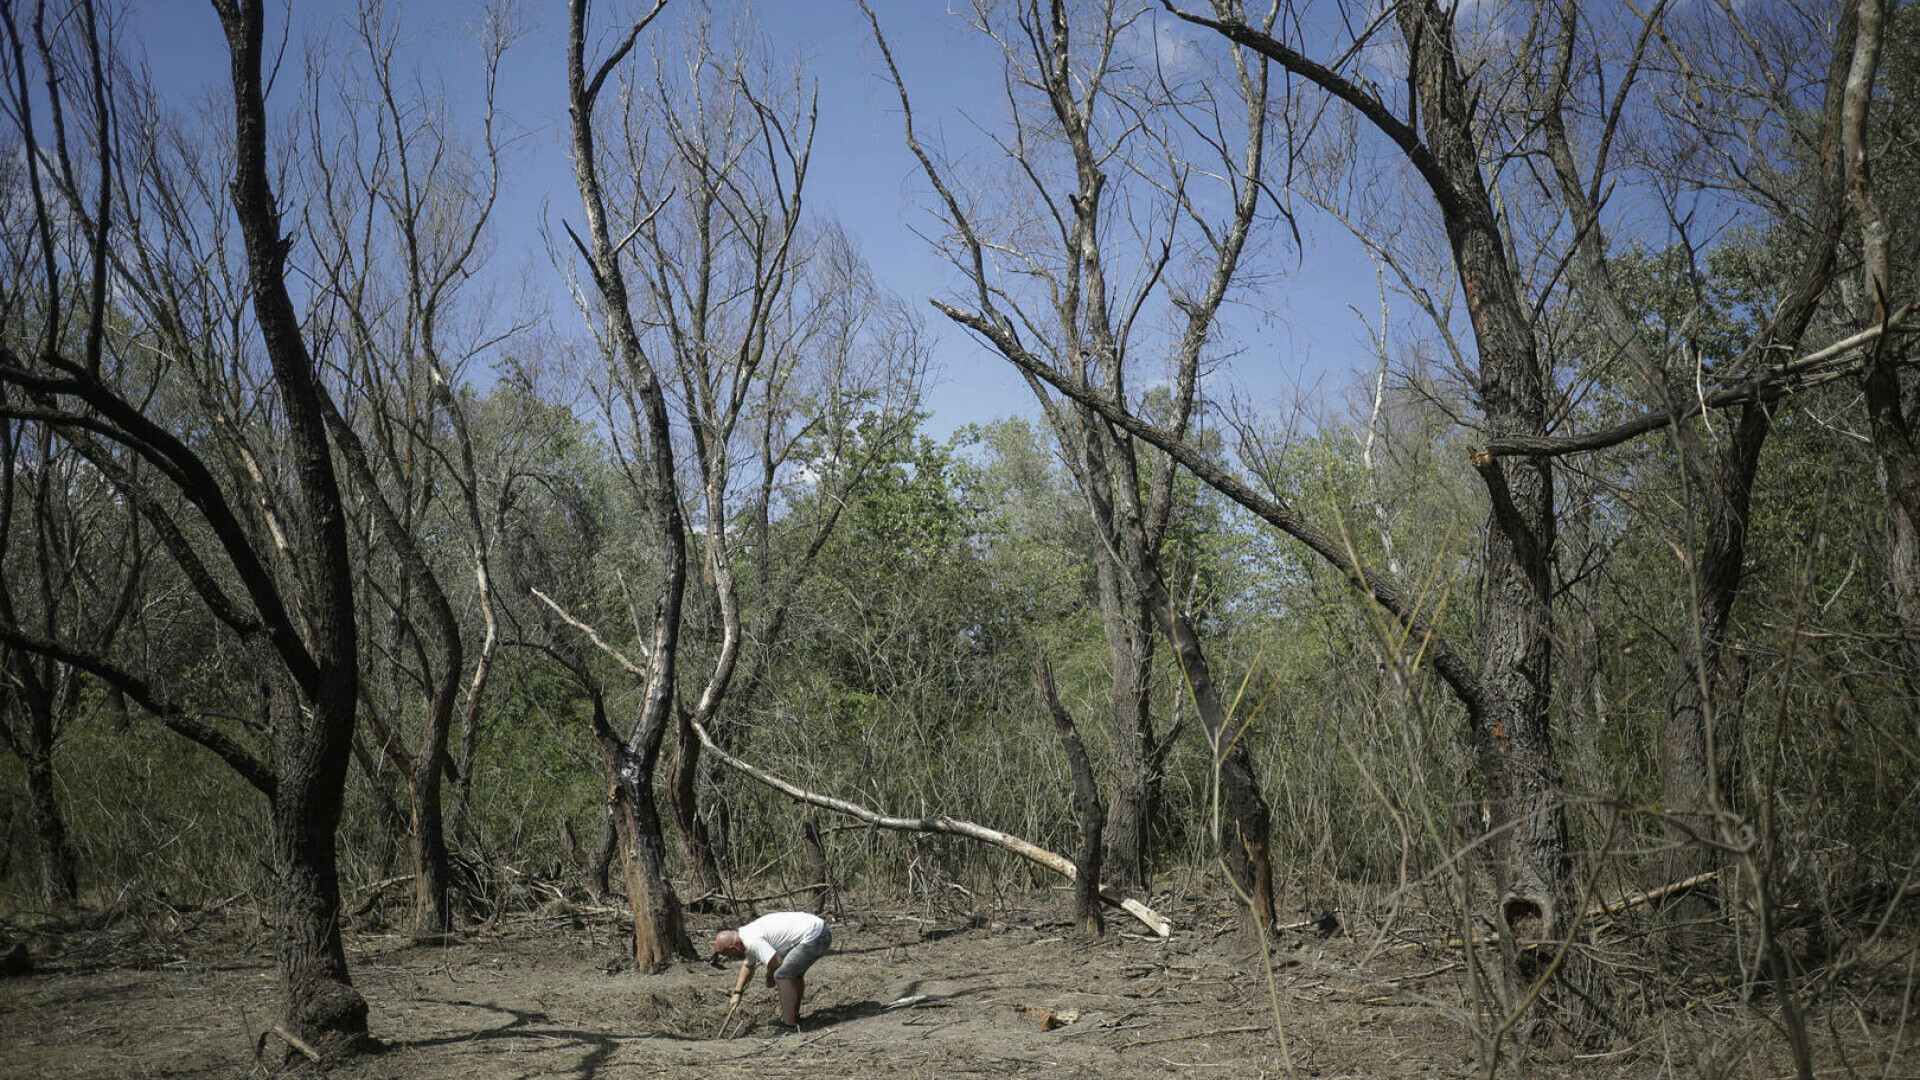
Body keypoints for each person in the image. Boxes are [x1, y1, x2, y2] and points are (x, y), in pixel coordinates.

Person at [715, 911, 832, 1030]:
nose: (732, 958)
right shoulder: (746, 933)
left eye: (729, 954)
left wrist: (769, 976)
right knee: (793, 974)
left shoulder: (751, 941)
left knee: (782, 975)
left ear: (733, 947)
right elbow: (748, 966)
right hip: (819, 930)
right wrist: (737, 993)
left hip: (816, 936)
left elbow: (776, 962)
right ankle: (794, 1016)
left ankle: (789, 1025)